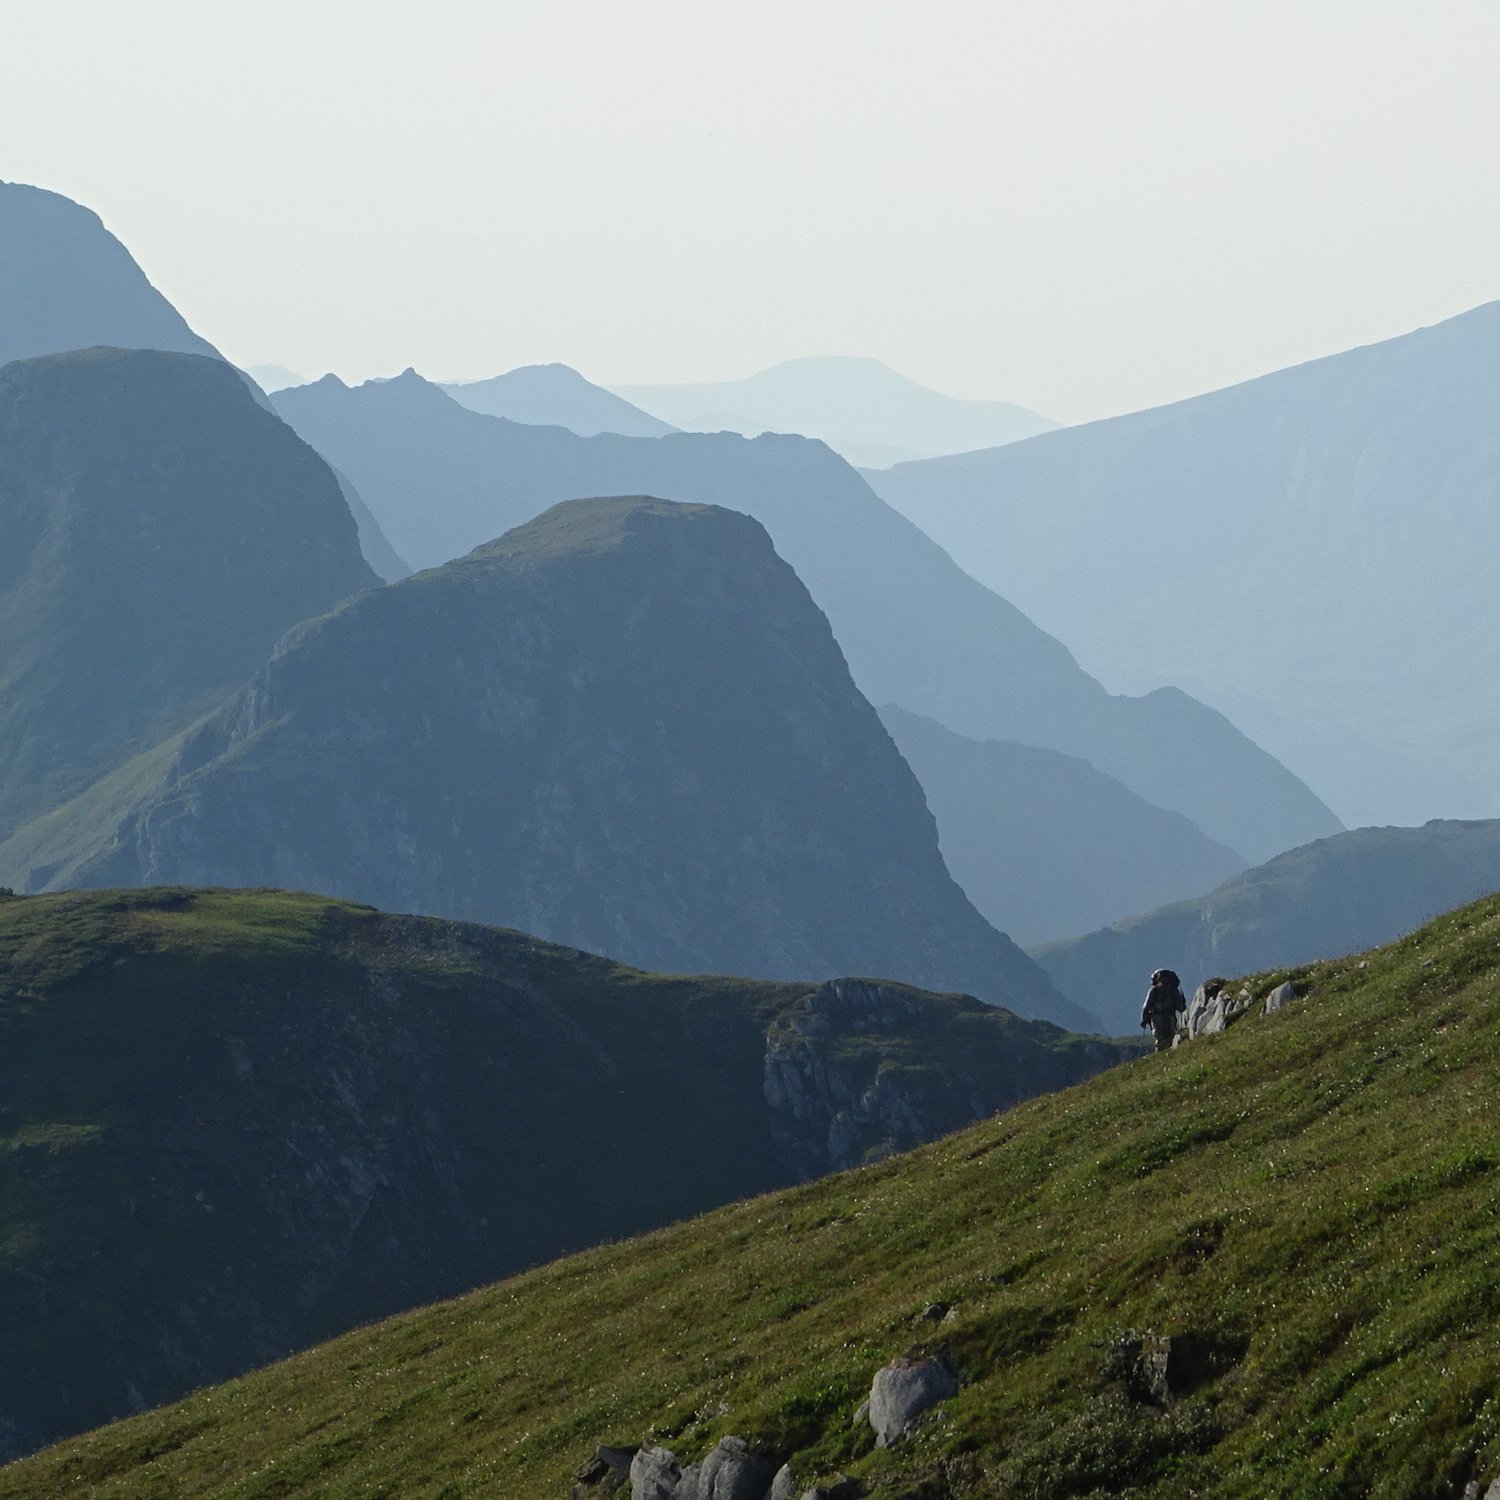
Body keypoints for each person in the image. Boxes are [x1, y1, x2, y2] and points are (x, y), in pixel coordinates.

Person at [1140, 968, 1187, 1052]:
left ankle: (1160, 1054)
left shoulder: (1154, 991)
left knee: (1160, 1039)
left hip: (1157, 1017)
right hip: (1170, 1016)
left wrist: (1144, 1019)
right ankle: (1170, 1054)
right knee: (1170, 1037)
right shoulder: (1173, 991)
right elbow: (1180, 1007)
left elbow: (1146, 1006)